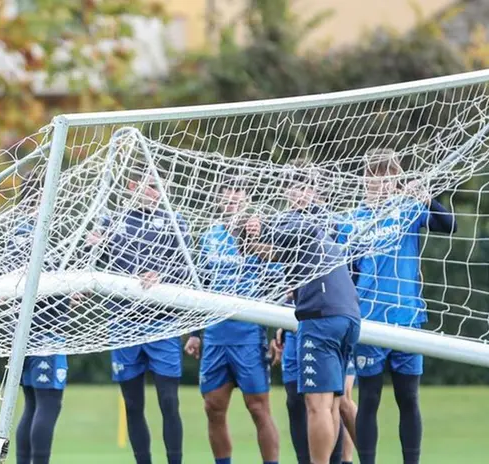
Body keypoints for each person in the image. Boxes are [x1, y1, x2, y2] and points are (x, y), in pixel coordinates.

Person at [335, 149, 457, 464]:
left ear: (396, 180)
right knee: (370, 399)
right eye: (375, 176)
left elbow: (449, 226)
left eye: (388, 176)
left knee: (408, 398)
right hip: (371, 322)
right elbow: (348, 274)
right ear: (365, 180)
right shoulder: (352, 221)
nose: (381, 183)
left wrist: (427, 198)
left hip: (407, 319)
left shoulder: (409, 210)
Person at [249, 195, 361, 464]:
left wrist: (257, 223)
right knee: (335, 403)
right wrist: (249, 237)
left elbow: (275, 233)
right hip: (347, 317)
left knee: (317, 405)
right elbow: (267, 251)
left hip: (321, 318)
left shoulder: (304, 225)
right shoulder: (318, 241)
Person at [87, 172, 186, 464]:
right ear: (134, 187)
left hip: (162, 323)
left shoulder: (175, 221)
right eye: (153, 187)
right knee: (132, 404)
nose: (158, 193)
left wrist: (162, 276)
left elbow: (188, 269)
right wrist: (93, 243)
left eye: (161, 188)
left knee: (169, 401)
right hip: (124, 323)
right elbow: (91, 263)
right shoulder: (114, 221)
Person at [184, 184, 280, 464]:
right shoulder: (209, 236)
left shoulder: (259, 233)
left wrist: (276, 332)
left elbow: (276, 284)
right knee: (213, 408)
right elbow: (202, 287)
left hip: (249, 335)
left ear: (247, 198)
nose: (232, 197)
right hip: (215, 336)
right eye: (226, 192)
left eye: (238, 192)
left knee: (258, 408)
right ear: (218, 198)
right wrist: (195, 333)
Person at [12, 178, 68, 464]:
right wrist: (66, 294)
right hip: (45, 330)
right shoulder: (35, 231)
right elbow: (40, 282)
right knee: (48, 403)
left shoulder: (16, 230)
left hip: (23, 334)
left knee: (32, 404)